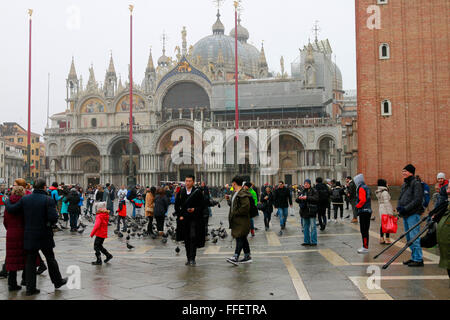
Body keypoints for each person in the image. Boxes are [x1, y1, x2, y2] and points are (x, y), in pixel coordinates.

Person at [4, 178, 67, 296]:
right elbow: (53, 218)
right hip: (44, 235)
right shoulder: (48, 200)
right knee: (50, 258)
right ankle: (57, 281)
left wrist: (7, 201)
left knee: (30, 261)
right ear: (44, 187)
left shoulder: (25, 199)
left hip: (29, 235)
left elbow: (12, 209)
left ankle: (30, 288)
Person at [397, 164, 425, 267]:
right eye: (403, 171)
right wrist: (399, 207)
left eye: (406, 171)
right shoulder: (405, 184)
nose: (404, 173)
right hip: (405, 214)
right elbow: (400, 197)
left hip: (413, 214)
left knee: (414, 237)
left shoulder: (416, 183)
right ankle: (414, 257)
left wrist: (406, 208)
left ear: (411, 172)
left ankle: (418, 259)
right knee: (409, 238)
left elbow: (417, 200)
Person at [175, 175, 205, 266]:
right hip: (184, 219)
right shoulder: (181, 192)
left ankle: (193, 258)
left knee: (193, 237)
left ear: (193, 182)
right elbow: (177, 205)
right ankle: (188, 258)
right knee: (186, 239)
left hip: (194, 219)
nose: (187, 183)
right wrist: (180, 215)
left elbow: (202, 205)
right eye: (186, 181)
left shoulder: (198, 192)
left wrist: (195, 209)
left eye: (189, 181)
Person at [3, 185, 28, 291]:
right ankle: (25, 279)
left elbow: (5, 221)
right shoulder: (25, 204)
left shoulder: (8, 204)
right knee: (25, 257)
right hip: (22, 232)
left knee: (11, 259)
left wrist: (10, 229)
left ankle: (12, 284)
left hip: (11, 233)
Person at [226, 176, 253, 265]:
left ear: (234, 183)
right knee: (242, 237)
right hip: (237, 220)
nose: (231, 185)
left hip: (242, 220)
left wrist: (236, 213)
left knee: (239, 237)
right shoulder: (235, 193)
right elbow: (233, 205)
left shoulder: (242, 193)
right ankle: (247, 256)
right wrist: (228, 200)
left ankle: (235, 256)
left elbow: (245, 207)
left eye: (232, 183)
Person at [296, 179, 319, 246]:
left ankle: (314, 241)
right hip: (304, 211)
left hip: (311, 211)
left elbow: (316, 199)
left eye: (307, 183)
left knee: (313, 227)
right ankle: (306, 241)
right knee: (305, 227)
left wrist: (307, 197)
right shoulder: (302, 191)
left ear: (309, 184)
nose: (305, 184)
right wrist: (299, 198)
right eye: (305, 183)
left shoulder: (314, 190)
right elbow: (297, 200)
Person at [354, 174, 372, 254]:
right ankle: (365, 246)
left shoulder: (361, 188)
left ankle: (365, 247)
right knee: (366, 229)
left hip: (363, 211)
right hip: (368, 210)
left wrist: (357, 206)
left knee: (363, 230)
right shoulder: (366, 187)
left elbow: (362, 200)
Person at [375, 179, 394, 244]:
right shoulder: (385, 192)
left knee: (383, 223)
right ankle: (387, 239)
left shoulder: (379, 191)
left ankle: (381, 238)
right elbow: (387, 202)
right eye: (386, 183)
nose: (387, 184)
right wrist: (390, 212)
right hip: (385, 208)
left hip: (381, 207)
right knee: (387, 223)